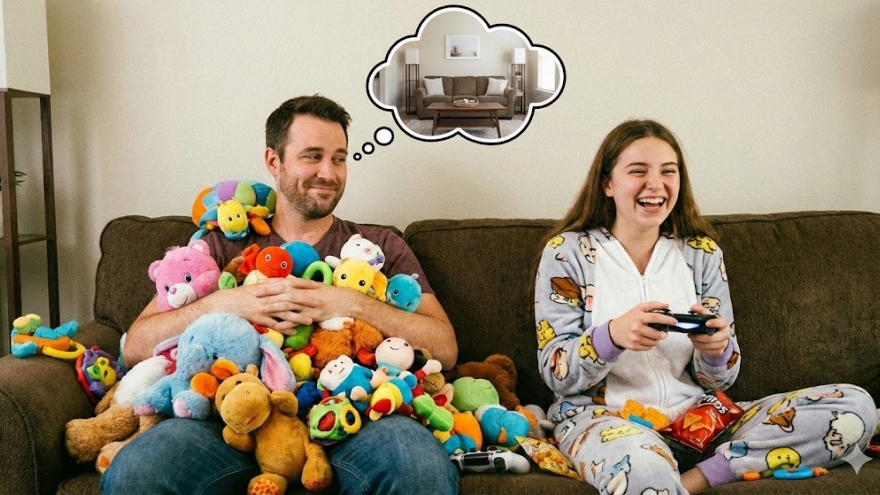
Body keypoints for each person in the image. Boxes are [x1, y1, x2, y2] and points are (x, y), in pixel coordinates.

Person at [102, 95, 460, 494]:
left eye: (339, 159)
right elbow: (136, 345)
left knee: (421, 469)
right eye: (313, 156)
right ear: (274, 161)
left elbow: (445, 347)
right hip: (231, 424)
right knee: (136, 473)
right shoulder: (221, 245)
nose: (329, 172)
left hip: (355, 420)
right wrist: (223, 304)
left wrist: (348, 303)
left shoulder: (379, 247)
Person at [533, 119, 877, 494]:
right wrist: (612, 336)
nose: (655, 184)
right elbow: (556, 373)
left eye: (668, 171)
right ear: (607, 184)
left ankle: (694, 479)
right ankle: (660, 476)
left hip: (701, 419)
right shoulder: (567, 253)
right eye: (638, 171)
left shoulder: (701, 253)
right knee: (643, 469)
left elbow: (721, 380)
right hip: (609, 423)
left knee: (855, 407)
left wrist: (716, 351)